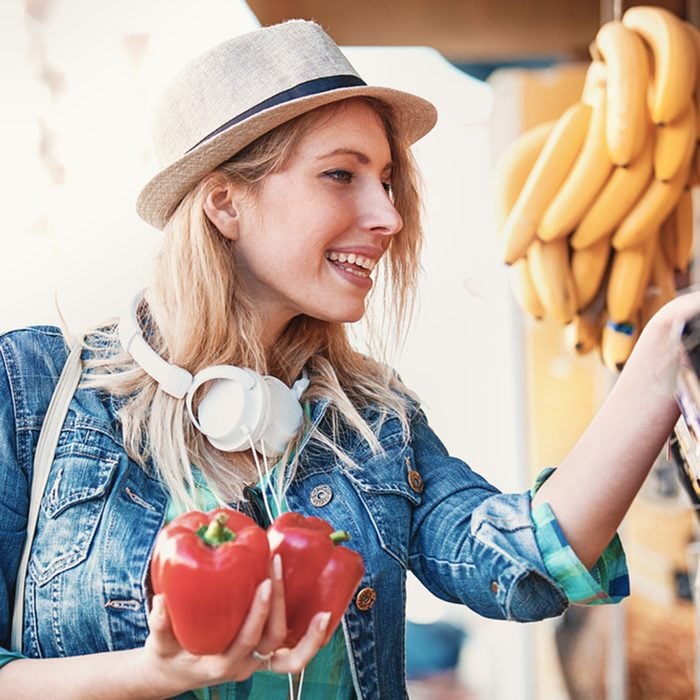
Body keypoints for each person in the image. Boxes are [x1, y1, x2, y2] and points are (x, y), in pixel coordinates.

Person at [0, 18, 697, 699]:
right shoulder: (34, 391)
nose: (389, 216)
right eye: (341, 175)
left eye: (387, 181)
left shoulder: (374, 421)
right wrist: (149, 676)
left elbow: (531, 562)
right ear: (224, 204)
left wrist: (664, 352)